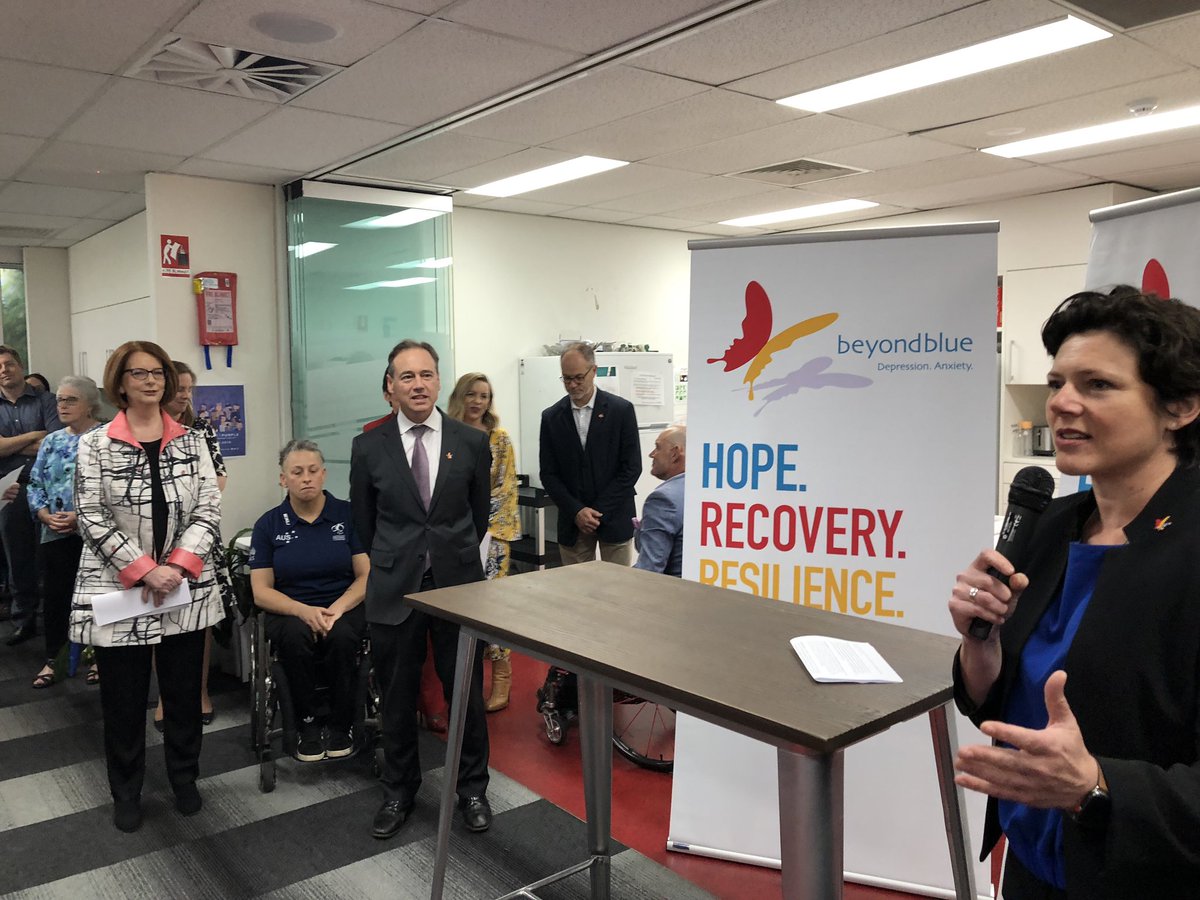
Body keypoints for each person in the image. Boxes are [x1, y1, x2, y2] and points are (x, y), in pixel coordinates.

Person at [950, 286, 1200, 898]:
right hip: (1034, 866)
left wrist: (1095, 786)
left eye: (1098, 385)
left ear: (1180, 407)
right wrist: (981, 647)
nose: (1061, 402)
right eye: (1057, 382)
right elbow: (1005, 702)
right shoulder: (1051, 526)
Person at [71, 340, 224, 833]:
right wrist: (143, 569)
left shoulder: (192, 441)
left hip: (183, 587)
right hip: (120, 587)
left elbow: (209, 508)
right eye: (139, 373)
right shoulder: (94, 444)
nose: (152, 381)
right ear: (119, 382)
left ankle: (184, 779)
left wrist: (176, 566)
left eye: (158, 372)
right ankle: (127, 792)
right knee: (123, 699)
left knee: (182, 696)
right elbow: (90, 516)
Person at [350, 339, 493, 839]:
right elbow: (364, 523)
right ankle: (398, 792)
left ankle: (472, 789)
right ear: (391, 386)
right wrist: (399, 557)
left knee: (465, 695)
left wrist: (447, 552)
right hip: (395, 588)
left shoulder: (470, 442)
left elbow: (477, 516)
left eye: (426, 374)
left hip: (458, 586)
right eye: (407, 376)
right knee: (397, 696)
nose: (418, 385)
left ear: (438, 381)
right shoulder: (369, 446)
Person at [250, 440, 369, 761]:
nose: (306, 478)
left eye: (313, 471)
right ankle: (307, 724)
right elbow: (261, 591)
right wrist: (303, 611)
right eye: (297, 472)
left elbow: (366, 576)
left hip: (342, 606)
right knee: (294, 636)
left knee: (343, 637)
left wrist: (337, 609)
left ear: (324, 474)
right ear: (283, 479)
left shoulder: (348, 515)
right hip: (290, 610)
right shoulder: (268, 525)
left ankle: (342, 725)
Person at [152, 359, 226, 730]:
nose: (185, 395)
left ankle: (199, 692)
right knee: (158, 615)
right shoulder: (144, 429)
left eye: (189, 389)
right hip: (154, 542)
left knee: (199, 620)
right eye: (179, 388)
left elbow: (218, 480)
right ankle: (165, 698)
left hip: (198, 537)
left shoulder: (201, 429)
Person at [447, 372, 521, 712]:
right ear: (459, 397)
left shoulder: (498, 439)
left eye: (484, 396)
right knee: (463, 608)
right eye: (472, 394)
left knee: (493, 606)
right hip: (454, 536)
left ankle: (501, 677)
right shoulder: (448, 436)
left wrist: (481, 525)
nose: (478, 402)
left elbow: (506, 487)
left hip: (493, 536)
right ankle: (466, 681)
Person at [26, 375, 103, 688]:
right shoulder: (52, 441)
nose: (62, 405)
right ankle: (54, 660)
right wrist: (43, 514)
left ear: (90, 405)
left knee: (98, 598)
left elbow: (113, 491)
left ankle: (99, 657)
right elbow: (35, 483)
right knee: (57, 598)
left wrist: (80, 517)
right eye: (60, 399)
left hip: (96, 534)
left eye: (71, 399)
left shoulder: (106, 437)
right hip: (55, 531)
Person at [539, 342, 641, 565]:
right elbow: (548, 474)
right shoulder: (551, 417)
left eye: (578, 378)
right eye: (566, 379)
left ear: (593, 371)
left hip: (615, 515)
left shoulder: (621, 411)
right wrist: (577, 511)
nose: (572, 385)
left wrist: (596, 512)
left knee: (617, 585)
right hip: (572, 521)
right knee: (576, 586)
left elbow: (631, 468)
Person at [0, 344, 62, 645]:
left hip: (48, 488)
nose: (4, 370)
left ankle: (53, 619)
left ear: (20, 366)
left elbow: (55, 441)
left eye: (9, 364)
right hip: (9, 490)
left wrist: (10, 444)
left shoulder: (47, 400)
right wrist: (36, 435)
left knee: (50, 556)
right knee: (18, 557)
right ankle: (23, 619)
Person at [633, 425, 686, 578]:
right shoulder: (704, 491)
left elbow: (649, 570)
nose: (651, 454)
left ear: (675, 453)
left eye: (657, 447)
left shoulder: (663, 499)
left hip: (671, 589)